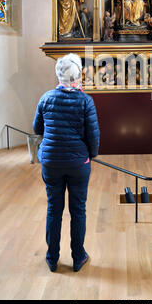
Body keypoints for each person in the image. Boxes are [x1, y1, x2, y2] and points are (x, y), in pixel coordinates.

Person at [33, 53, 100, 273]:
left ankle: (52, 258)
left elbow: (37, 129)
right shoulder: (85, 101)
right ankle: (78, 257)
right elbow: (93, 136)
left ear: (59, 75)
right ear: (78, 75)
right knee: (78, 210)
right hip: (78, 163)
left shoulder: (46, 98)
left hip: (51, 162)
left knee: (54, 209)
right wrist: (91, 154)